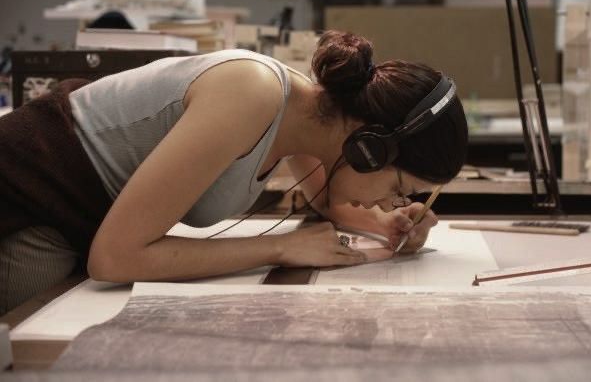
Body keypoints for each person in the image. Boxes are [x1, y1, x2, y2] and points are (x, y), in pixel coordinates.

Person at [0, 30, 468, 314]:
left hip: (79, 218)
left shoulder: (311, 119)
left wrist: (385, 226)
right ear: (370, 148)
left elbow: (329, 201)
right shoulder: (253, 93)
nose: (394, 201)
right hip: (29, 203)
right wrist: (281, 247)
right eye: (400, 189)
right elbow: (116, 259)